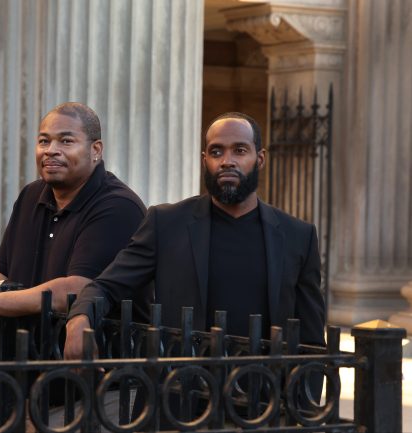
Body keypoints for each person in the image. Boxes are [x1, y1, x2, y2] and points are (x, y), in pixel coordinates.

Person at [64, 111, 326, 359]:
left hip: (262, 397)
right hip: (182, 395)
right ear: (205, 161)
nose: (227, 161)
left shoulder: (298, 236)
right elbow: (108, 285)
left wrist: (304, 404)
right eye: (216, 152)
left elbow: (312, 342)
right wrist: (79, 318)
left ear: (260, 159)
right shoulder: (165, 224)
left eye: (240, 150)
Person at [0, 102, 149, 346]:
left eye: (66, 141)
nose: (50, 150)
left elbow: (76, 289)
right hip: (26, 359)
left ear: (95, 150)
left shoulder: (118, 206)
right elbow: (2, 272)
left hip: (92, 364)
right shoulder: (30, 196)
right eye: (44, 141)